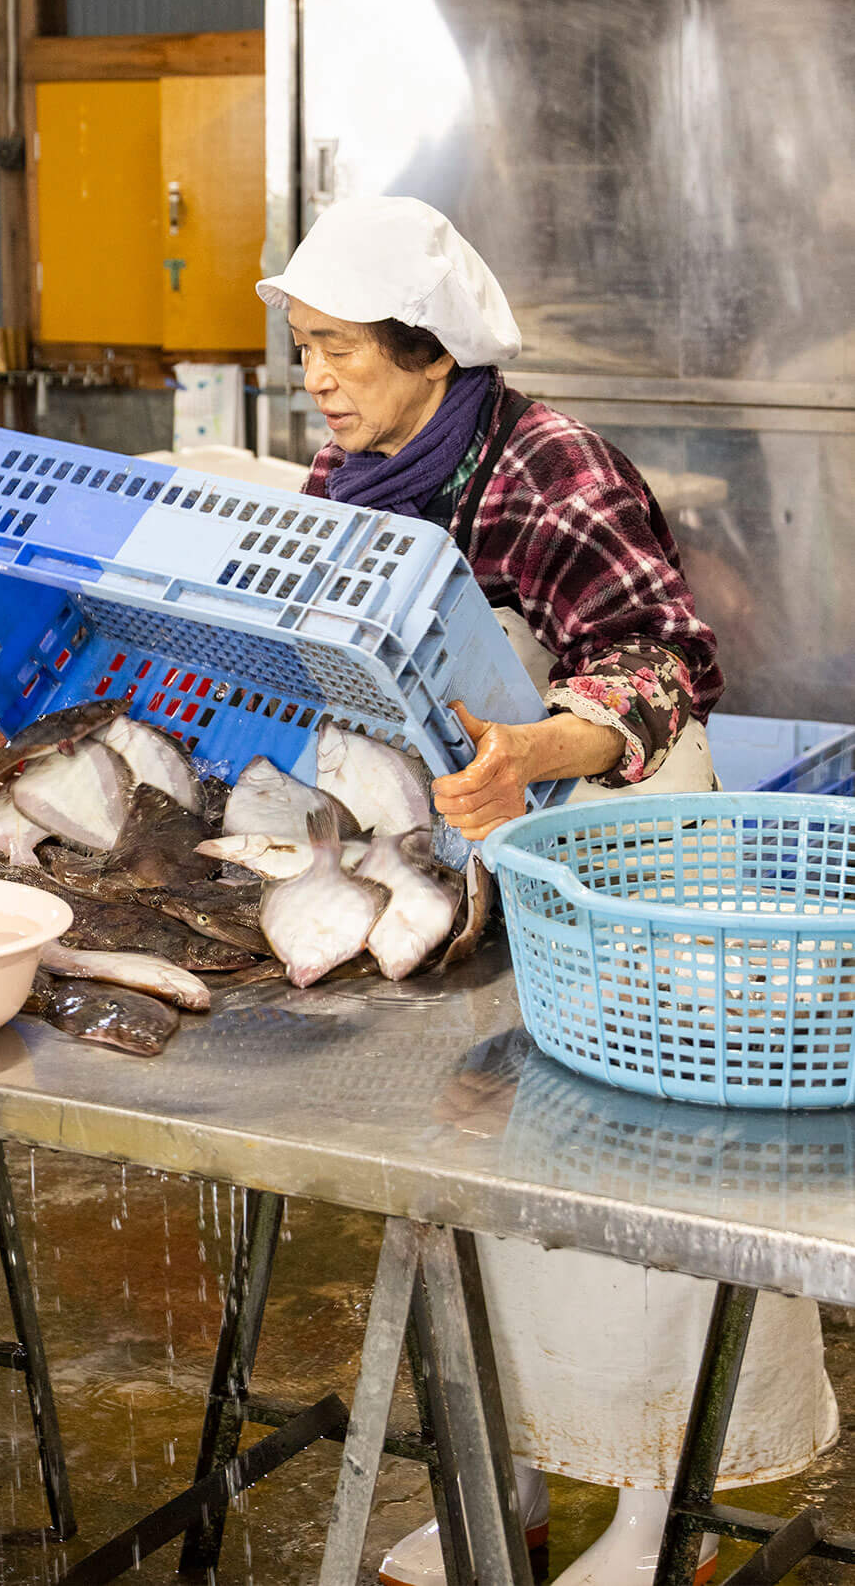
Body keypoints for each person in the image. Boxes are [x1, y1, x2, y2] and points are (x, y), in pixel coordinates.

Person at [257, 195, 834, 1586]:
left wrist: (536, 747)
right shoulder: (352, 476)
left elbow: (658, 667)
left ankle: (656, 1521)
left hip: (628, 840)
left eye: (339, 348)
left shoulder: (553, 471)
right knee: (491, 1176)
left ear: (426, 351)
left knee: (642, 1186)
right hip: (483, 843)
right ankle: (500, 1485)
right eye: (303, 346)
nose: (315, 376)